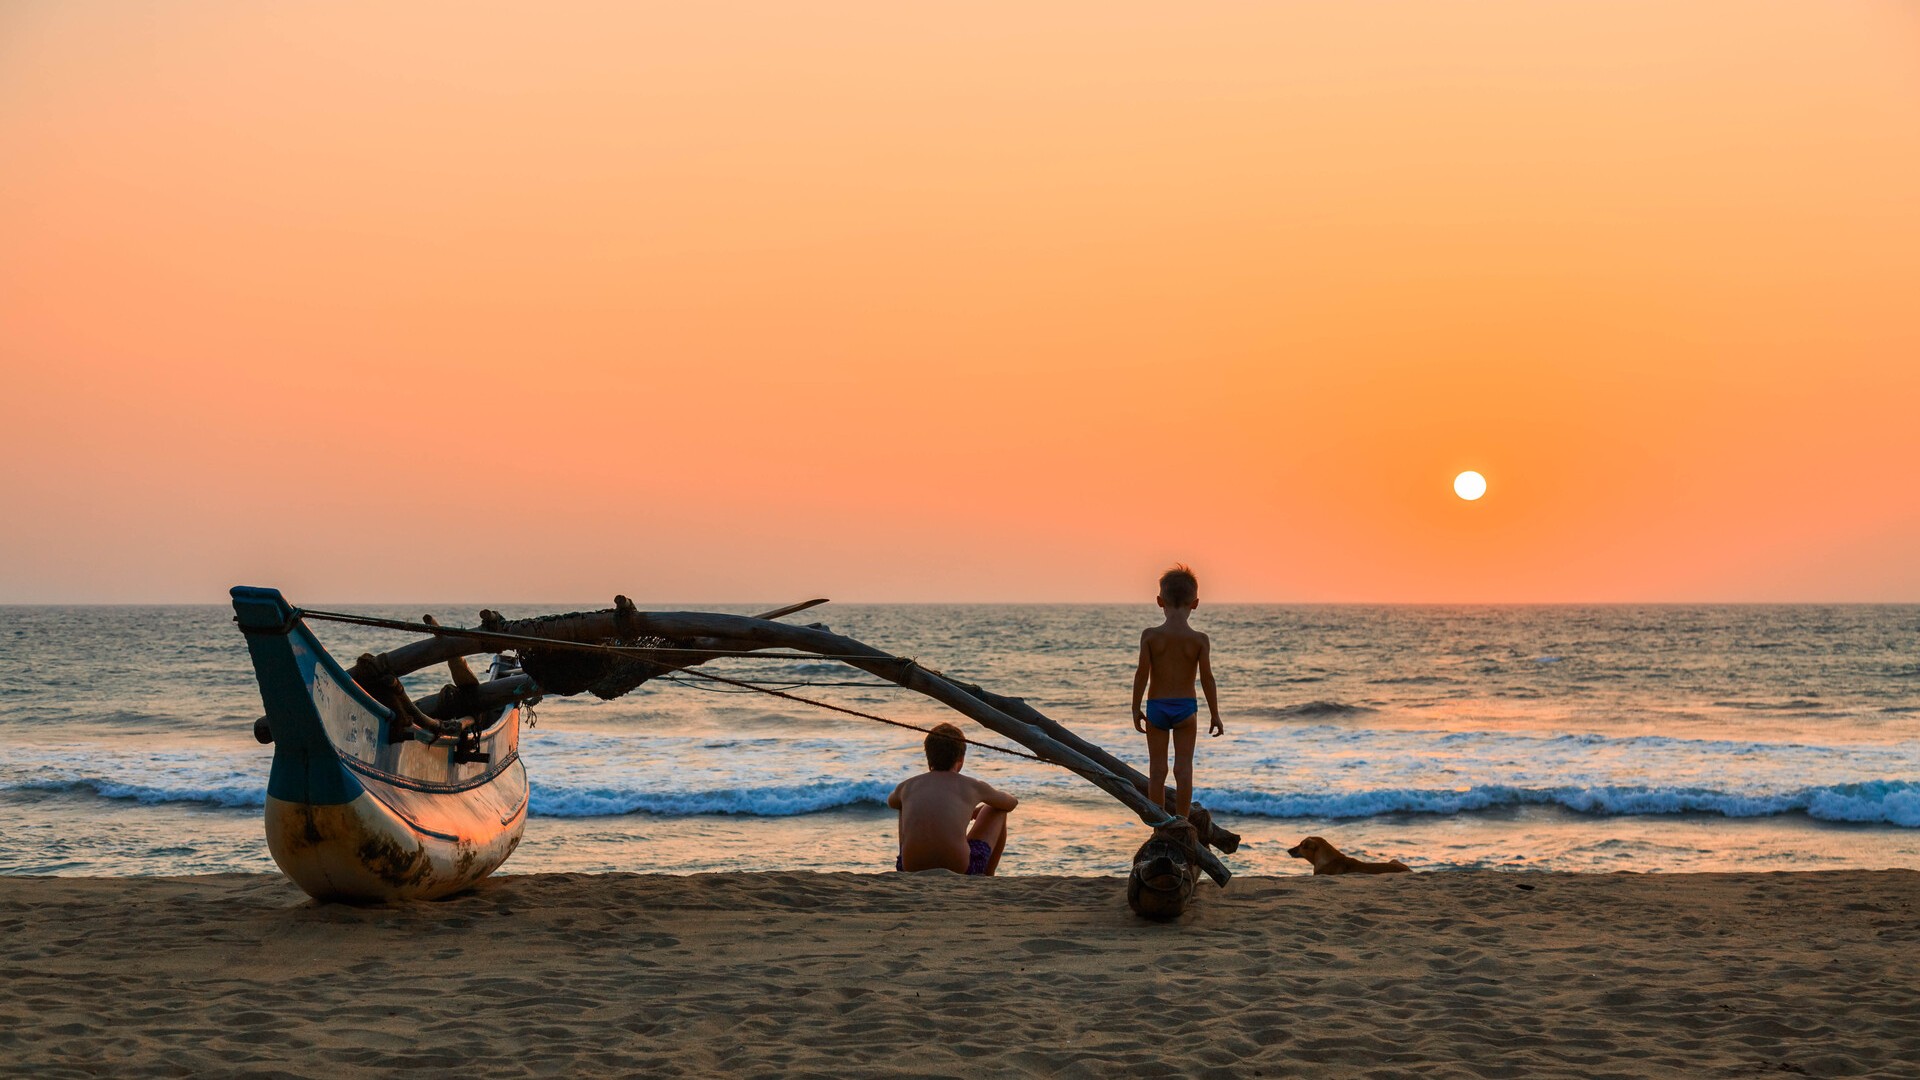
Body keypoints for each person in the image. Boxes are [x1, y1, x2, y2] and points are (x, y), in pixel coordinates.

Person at [1131, 564, 1223, 820]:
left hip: (1157, 707)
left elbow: (1141, 674)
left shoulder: (1150, 636)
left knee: (1157, 771)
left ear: (1160, 601)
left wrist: (1135, 707)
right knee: (1184, 770)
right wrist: (1215, 714)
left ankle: (1159, 823)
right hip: (1186, 709)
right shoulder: (1199, 640)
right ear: (1195, 603)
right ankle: (1182, 821)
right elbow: (1207, 678)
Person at [888, 722, 1018, 875]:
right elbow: (1011, 803)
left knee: (902, 804)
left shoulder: (908, 786)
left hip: (909, 867)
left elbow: (892, 802)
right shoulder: (973, 786)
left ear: (928, 757)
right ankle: (988, 876)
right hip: (962, 869)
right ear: (961, 759)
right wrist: (980, 808)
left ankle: (908, 859)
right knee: (996, 809)